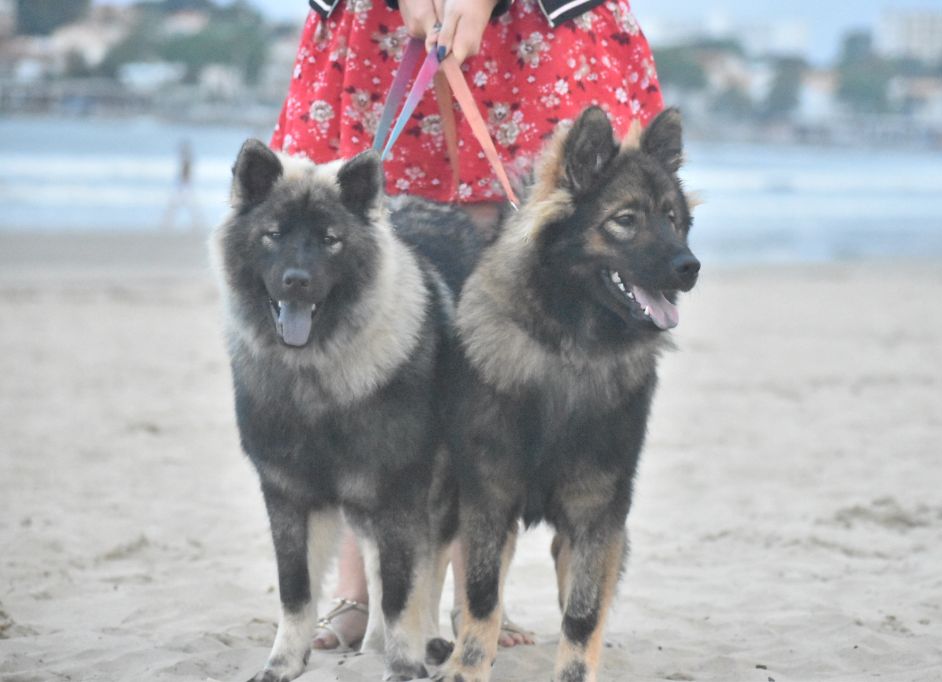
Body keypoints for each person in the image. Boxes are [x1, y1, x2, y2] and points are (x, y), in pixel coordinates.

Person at [268, 0, 665, 652]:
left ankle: (478, 597)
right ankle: (360, 588)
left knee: (507, 282)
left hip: (537, 23)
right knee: (362, 278)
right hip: (376, 18)